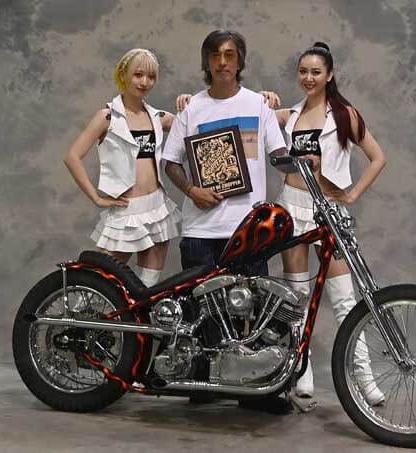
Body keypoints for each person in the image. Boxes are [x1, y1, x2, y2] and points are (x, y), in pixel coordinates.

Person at [162, 30, 291, 413]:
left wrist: (307, 162)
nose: (222, 62)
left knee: (256, 311)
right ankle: (202, 384)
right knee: (201, 313)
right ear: (207, 62)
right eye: (215, 55)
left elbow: (279, 154)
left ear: (240, 61)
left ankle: (259, 391)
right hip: (202, 229)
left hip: (249, 230)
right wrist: (191, 190)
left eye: (230, 55)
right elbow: (170, 162)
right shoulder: (192, 109)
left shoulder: (258, 105)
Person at [273, 42, 387, 403]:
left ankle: (365, 379)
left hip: (328, 210)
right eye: (303, 72)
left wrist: (351, 195)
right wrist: (265, 98)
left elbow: (377, 157)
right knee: (297, 297)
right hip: (292, 207)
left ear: (329, 75)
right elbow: (251, 109)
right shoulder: (290, 114)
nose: (308, 78)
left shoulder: (344, 115)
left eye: (316, 72)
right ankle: (302, 371)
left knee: (344, 300)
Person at [63, 49, 181, 288]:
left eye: (151, 77)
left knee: (147, 289)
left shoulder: (158, 117)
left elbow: (197, 123)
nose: (144, 82)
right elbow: (72, 157)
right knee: (101, 287)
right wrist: (96, 197)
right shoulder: (107, 117)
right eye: (138, 74)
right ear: (123, 74)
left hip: (158, 209)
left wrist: (189, 101)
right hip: (126, 211)